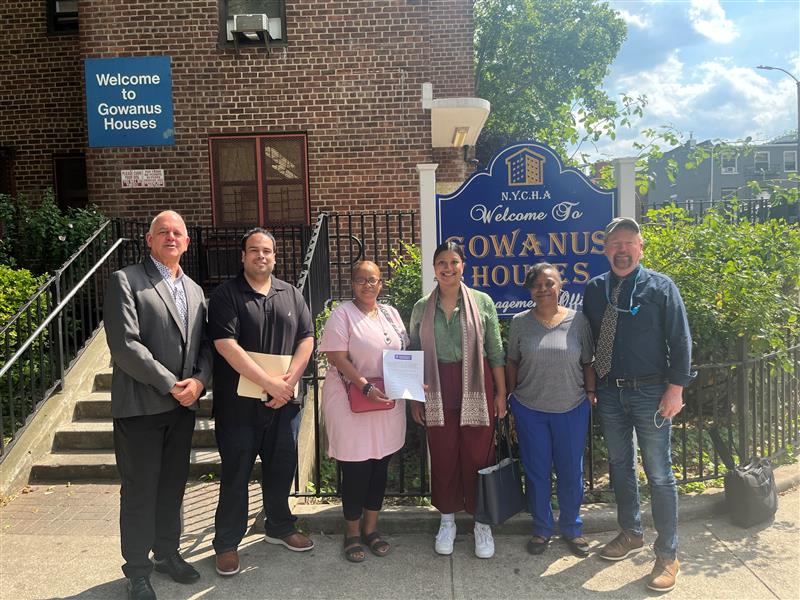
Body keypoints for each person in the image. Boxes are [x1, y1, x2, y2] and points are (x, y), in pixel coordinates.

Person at [104, 210, 212, 600]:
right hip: (141, 407)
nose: (171, 237)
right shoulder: (126, 280)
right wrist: (172, 385)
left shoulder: (197, 291)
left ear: (186, 243)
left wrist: (199, 381)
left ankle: (167, 552)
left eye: (178, 232)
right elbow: (125, 345)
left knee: (172, 486)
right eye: (162, 231)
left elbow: (204, 347)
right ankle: (137, 570)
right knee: (140, 490)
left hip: (181, 409)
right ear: (149, 241)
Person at [583, 217, 692, 593]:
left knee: (660, 474)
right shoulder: (595, 290)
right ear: (605, 249)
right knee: (619, 466)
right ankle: (630, 532)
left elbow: (681, 340)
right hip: (611, 393)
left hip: (651, 393)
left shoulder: (661, 288)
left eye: (629, 243)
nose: (622, 250)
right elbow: (590, 344)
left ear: (641, 248)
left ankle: (668, 553)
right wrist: (593, 385)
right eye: (615, 244)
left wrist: (675, 389)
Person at [208, 227, 315, 577]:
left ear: (275, 256)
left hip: (283, 406)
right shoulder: (226, 295)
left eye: (267, 251)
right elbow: (226, 345)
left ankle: (279, 527)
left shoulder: (291, 294)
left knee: (281, 468)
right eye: (254, 250)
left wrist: (290, 381)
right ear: (243, 256)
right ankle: (226, 543)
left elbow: (307, 338)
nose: (261, 256)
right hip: (239, 408)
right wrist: (269, 382)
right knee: (236, 475)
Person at [408, 241, 507, 559]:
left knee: (479, 455)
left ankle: (481, 524)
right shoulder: (422, 307)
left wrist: (501, 392)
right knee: (444, 454)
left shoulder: (482, 302)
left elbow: (495, 351)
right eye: (441, 262)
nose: (447, 268)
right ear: (434, 268)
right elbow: (413, 353)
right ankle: (447, 520)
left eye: (453, 262)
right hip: (435, 385)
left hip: (476, 383)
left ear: (464, 266)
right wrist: (413, 398)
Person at [318, 261, 409, 562]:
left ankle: (371, 530)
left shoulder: (391, 314)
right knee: (356, 471)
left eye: (373, 280)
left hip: (386, 403)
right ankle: (352, 533)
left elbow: (401, 354)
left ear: (381, 284)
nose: (368, 285)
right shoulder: (341, 315)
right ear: (352, 284)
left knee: (380, 468)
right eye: (361, 280)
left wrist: (410, 380)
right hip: (351, 402)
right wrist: (365, 387)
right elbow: (336, 358)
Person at [506, 263, 595, 557]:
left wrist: (591, 393)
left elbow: (588, 362)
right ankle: (542, 529)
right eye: (537, 285)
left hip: (571, 407)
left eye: (549, 283)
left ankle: (572, 528)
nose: (543, 289)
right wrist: (511, 396)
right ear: (530, 290)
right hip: (530, 409)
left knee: (571, 473)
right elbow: (512, 362)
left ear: (560, 286)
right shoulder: (520, 322)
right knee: (536, 473)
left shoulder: (578, 321)